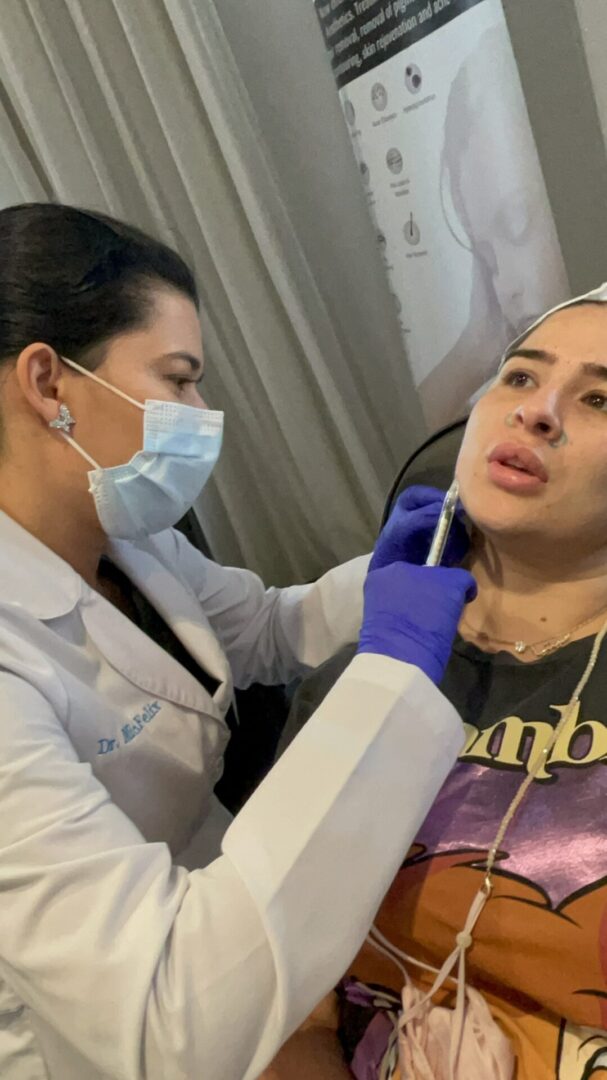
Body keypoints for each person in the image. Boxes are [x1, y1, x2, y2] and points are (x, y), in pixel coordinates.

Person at [0, 203, 478, 1080]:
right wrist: (391, 676)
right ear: (47, 382)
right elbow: (165, 1012)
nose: (201, 411)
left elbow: (259, 631)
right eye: (179, 379)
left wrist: (376, 582)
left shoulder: (125, 536)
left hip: (236, 917)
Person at [262, 284, 607, 1079]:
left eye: (599, 399)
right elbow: (286, 1010)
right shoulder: (363, 677)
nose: (537, 411)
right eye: (519, 377)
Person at [419, 24, 569, 432]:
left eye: (518, 224)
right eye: (488, 258)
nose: (505, 287)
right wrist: (476, 345)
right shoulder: (502, 403)